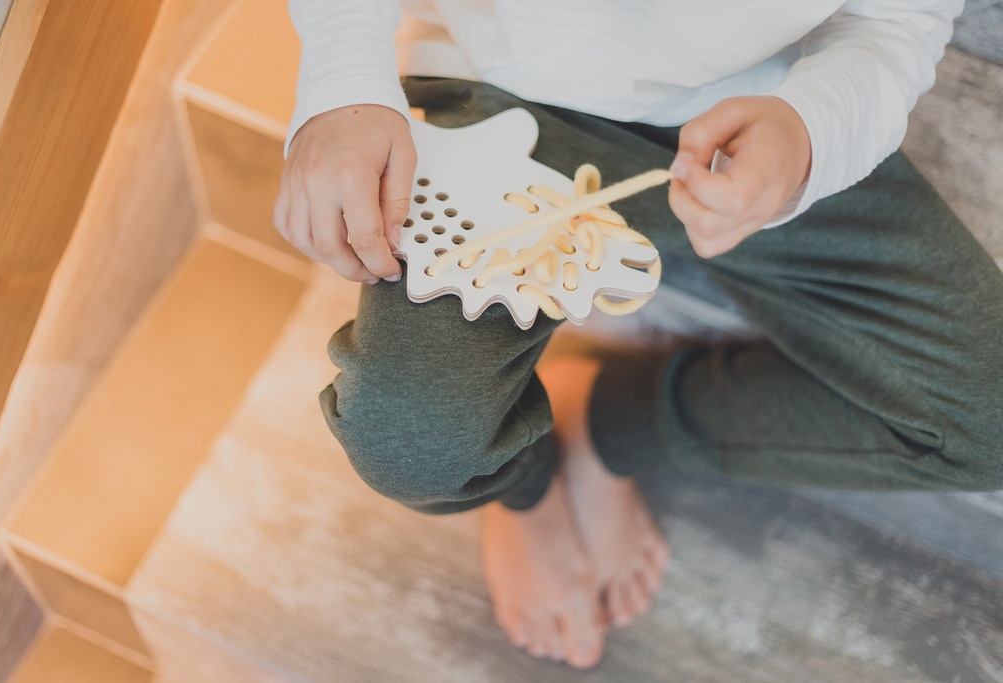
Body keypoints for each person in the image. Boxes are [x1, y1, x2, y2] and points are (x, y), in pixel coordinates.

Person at [274, 0, 1003, 670]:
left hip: (759, 115)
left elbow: (898, 20)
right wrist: (343, 83)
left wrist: (808, 136)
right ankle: (524, 485)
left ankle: (601, 415)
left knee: (989, 424)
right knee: (409, 441)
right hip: (505, 95)